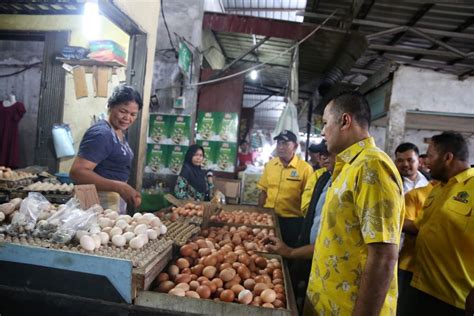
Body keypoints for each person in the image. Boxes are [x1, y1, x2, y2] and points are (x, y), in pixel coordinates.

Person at [304, 91, 404, 316]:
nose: (322, 131)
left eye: (326, 123)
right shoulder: (348, 166)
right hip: (328, 303)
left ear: (345, 121)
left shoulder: (372, 168)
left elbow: (383, 254)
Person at [401, 132, 473, 316]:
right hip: (420, 286)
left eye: (430, 156)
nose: (426, 162)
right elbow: (420, 227)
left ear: (448, 157)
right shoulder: (437, 189)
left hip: (454, 298)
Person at [265, 146, 335, 312]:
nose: (323, 157)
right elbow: (309, 208)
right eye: (321, 154)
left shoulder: (309, 171)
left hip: (329, 266)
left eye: (328, 153)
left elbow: (330, 242)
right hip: (312, 250)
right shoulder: (324, 178)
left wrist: (291, 252)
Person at [70, 84, 142, 213]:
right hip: (95, 204)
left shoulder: (117, 131)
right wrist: (119, 187)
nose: (128, 118)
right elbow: (78, 172)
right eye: (123, 111)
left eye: (133, 114)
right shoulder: (101, 134)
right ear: (110, 106)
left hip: (111, 203)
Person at [257, 129, 313, 247]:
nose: (281, 147)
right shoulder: (270, 165)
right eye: (279, 143)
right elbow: (263, 192)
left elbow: (309, 199)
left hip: (292, 222)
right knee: (267, 250)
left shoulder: (305, 169)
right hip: (269, 218)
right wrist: (260, 213)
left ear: (295, 146)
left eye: (285, 144)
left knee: (289, 252)